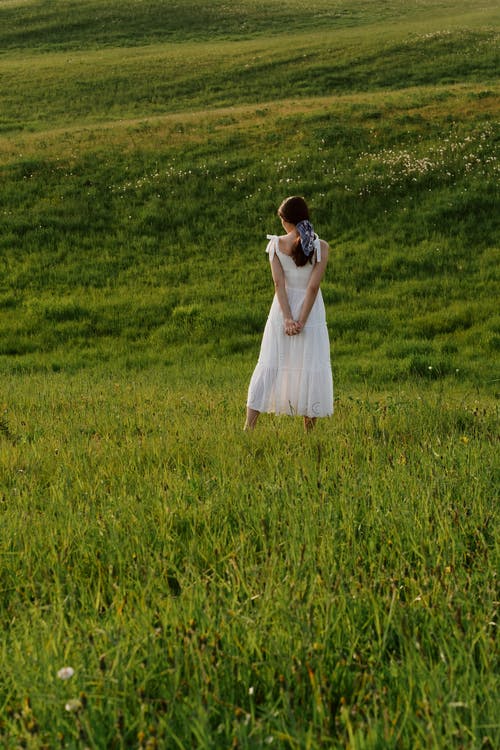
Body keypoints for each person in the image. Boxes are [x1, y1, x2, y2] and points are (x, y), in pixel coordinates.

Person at [245, 196, 334, 432]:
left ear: (286, 220)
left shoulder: (275, 245)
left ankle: (249, 427)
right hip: (310, 310)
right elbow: (313, 287)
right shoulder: (321, 247)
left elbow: (278, 284)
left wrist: (287, 318)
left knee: (270, 363)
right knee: (311, 366)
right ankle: (309, 432)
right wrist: (302, 321)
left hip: (282, 309)